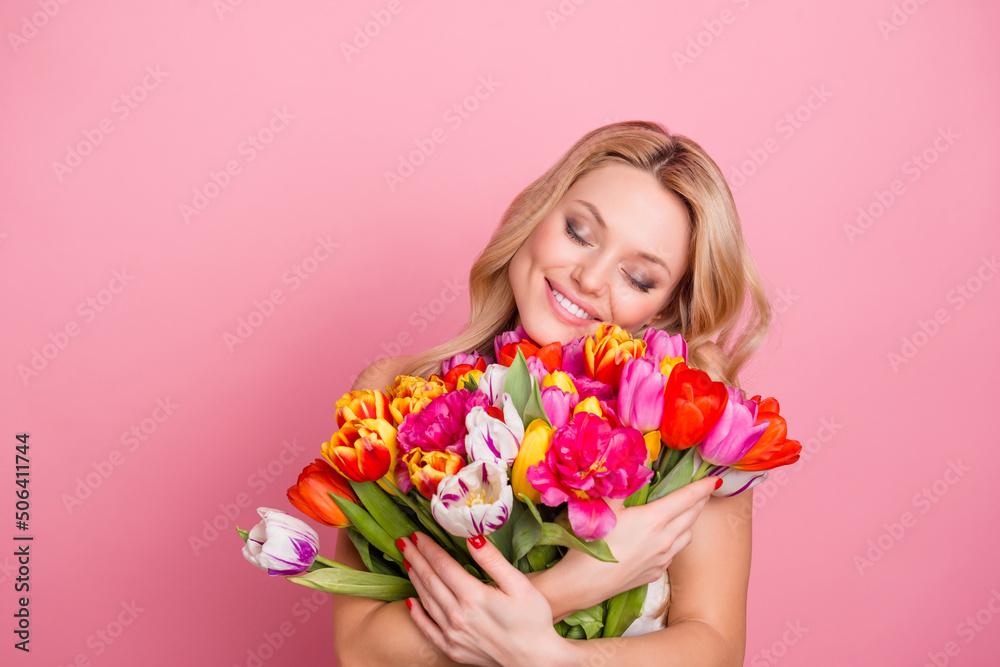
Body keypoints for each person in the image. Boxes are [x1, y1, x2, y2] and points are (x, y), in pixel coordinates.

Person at [331, 120, 771, 666]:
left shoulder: (697, 429)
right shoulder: (393, 399)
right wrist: (573, 586)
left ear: (660, 309)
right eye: (579, 232)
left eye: (637, 277)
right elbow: (362, 651)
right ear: (537, 215)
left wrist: (554, 660)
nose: (589, 278)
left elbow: (716, 650)